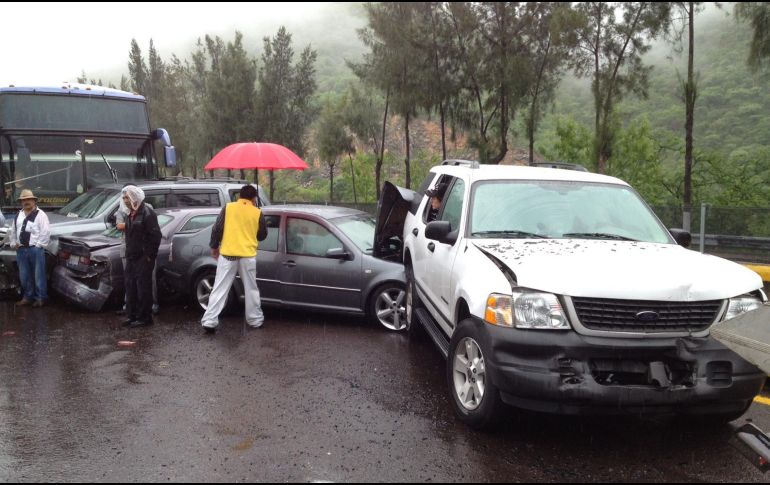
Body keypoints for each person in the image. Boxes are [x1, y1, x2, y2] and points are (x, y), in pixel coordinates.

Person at [201, 185, 267, 334]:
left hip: (228, 255)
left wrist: (214, 247)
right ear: (254, 198)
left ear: (239, 196)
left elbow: (217, 229)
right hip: (247, 256)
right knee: (251, 289)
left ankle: (210, 321)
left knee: (220, 288)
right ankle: (255, 320)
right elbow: (262, 235)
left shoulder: (228, 208)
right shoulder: (257, 213)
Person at [116, 185, 159, 316]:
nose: (125, 200)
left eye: (127, 197)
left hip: (143, 256)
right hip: (131, 255)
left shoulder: (147, 212)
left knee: (144, 286)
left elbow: (155, 235)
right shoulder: (129, 213)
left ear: (135, 197)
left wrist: (149, 256)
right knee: (131, 285)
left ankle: (145, 316)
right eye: (124, 198)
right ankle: (132, 314)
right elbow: (122, 228)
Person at [8, 190, 51, 307]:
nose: (26, 202)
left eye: (28, 199)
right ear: (21, 202)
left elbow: (45, 232)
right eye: (23, 200)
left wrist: (38, 246)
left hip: (35, 249)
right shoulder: (18, 215)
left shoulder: (41, 215)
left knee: (38, 275)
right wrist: (13, 244)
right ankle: (27, 297)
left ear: (34, 200)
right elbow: (13, 231)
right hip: (21, 250)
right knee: (24, 276)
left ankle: (41, 298)